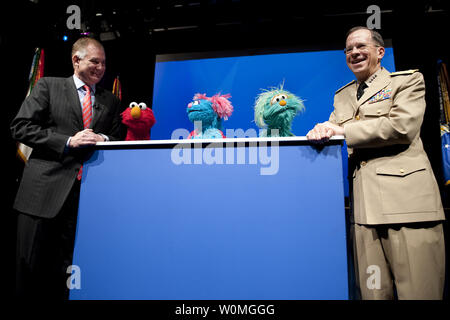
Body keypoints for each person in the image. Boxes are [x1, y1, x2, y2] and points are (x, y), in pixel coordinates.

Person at [306, 26, 446, 299]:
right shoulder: (342, 96)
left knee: (419, 293)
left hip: (407, 208)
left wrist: (341, 131)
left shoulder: (407, 81)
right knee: (372, 294)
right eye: (349, 49)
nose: (354, 52)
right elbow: (333, 131)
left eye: (361, 46)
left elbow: (402, 127)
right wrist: (320, 131)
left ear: (380, 52)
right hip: (364, 216)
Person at [11, 37, 124, 299]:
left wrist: (103, 139)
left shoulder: (110, 101)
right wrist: (68, 141)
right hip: (42, 196)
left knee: (69, 271)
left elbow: (117, 138)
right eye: (94, 61)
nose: (100, 67)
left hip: (86, 200)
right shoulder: (48, 86)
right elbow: (21, 126)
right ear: (76, 60)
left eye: (104, 63)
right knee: (30, 268)